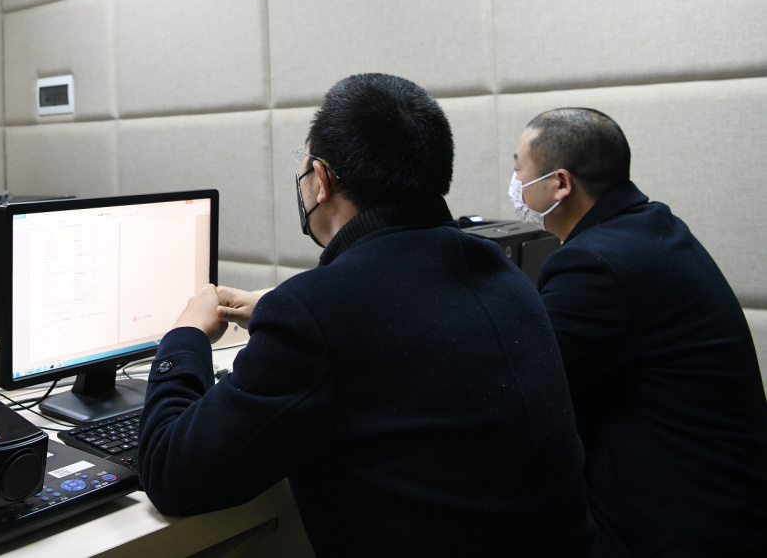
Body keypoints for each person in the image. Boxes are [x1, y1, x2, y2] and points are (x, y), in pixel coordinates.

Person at [138, 73, 596, 557]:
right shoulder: (503, 273)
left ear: (322, 180)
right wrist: (282, 314)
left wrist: (185, 336)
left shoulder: (317, 313)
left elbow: (173, 475)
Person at [512, 108, 767, 557]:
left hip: (676, 525)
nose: (515, 181)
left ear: (560, 183)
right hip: (727, 501)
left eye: (519, 169)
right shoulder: (650, 226)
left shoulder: (594, 265)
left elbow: (529, 389)